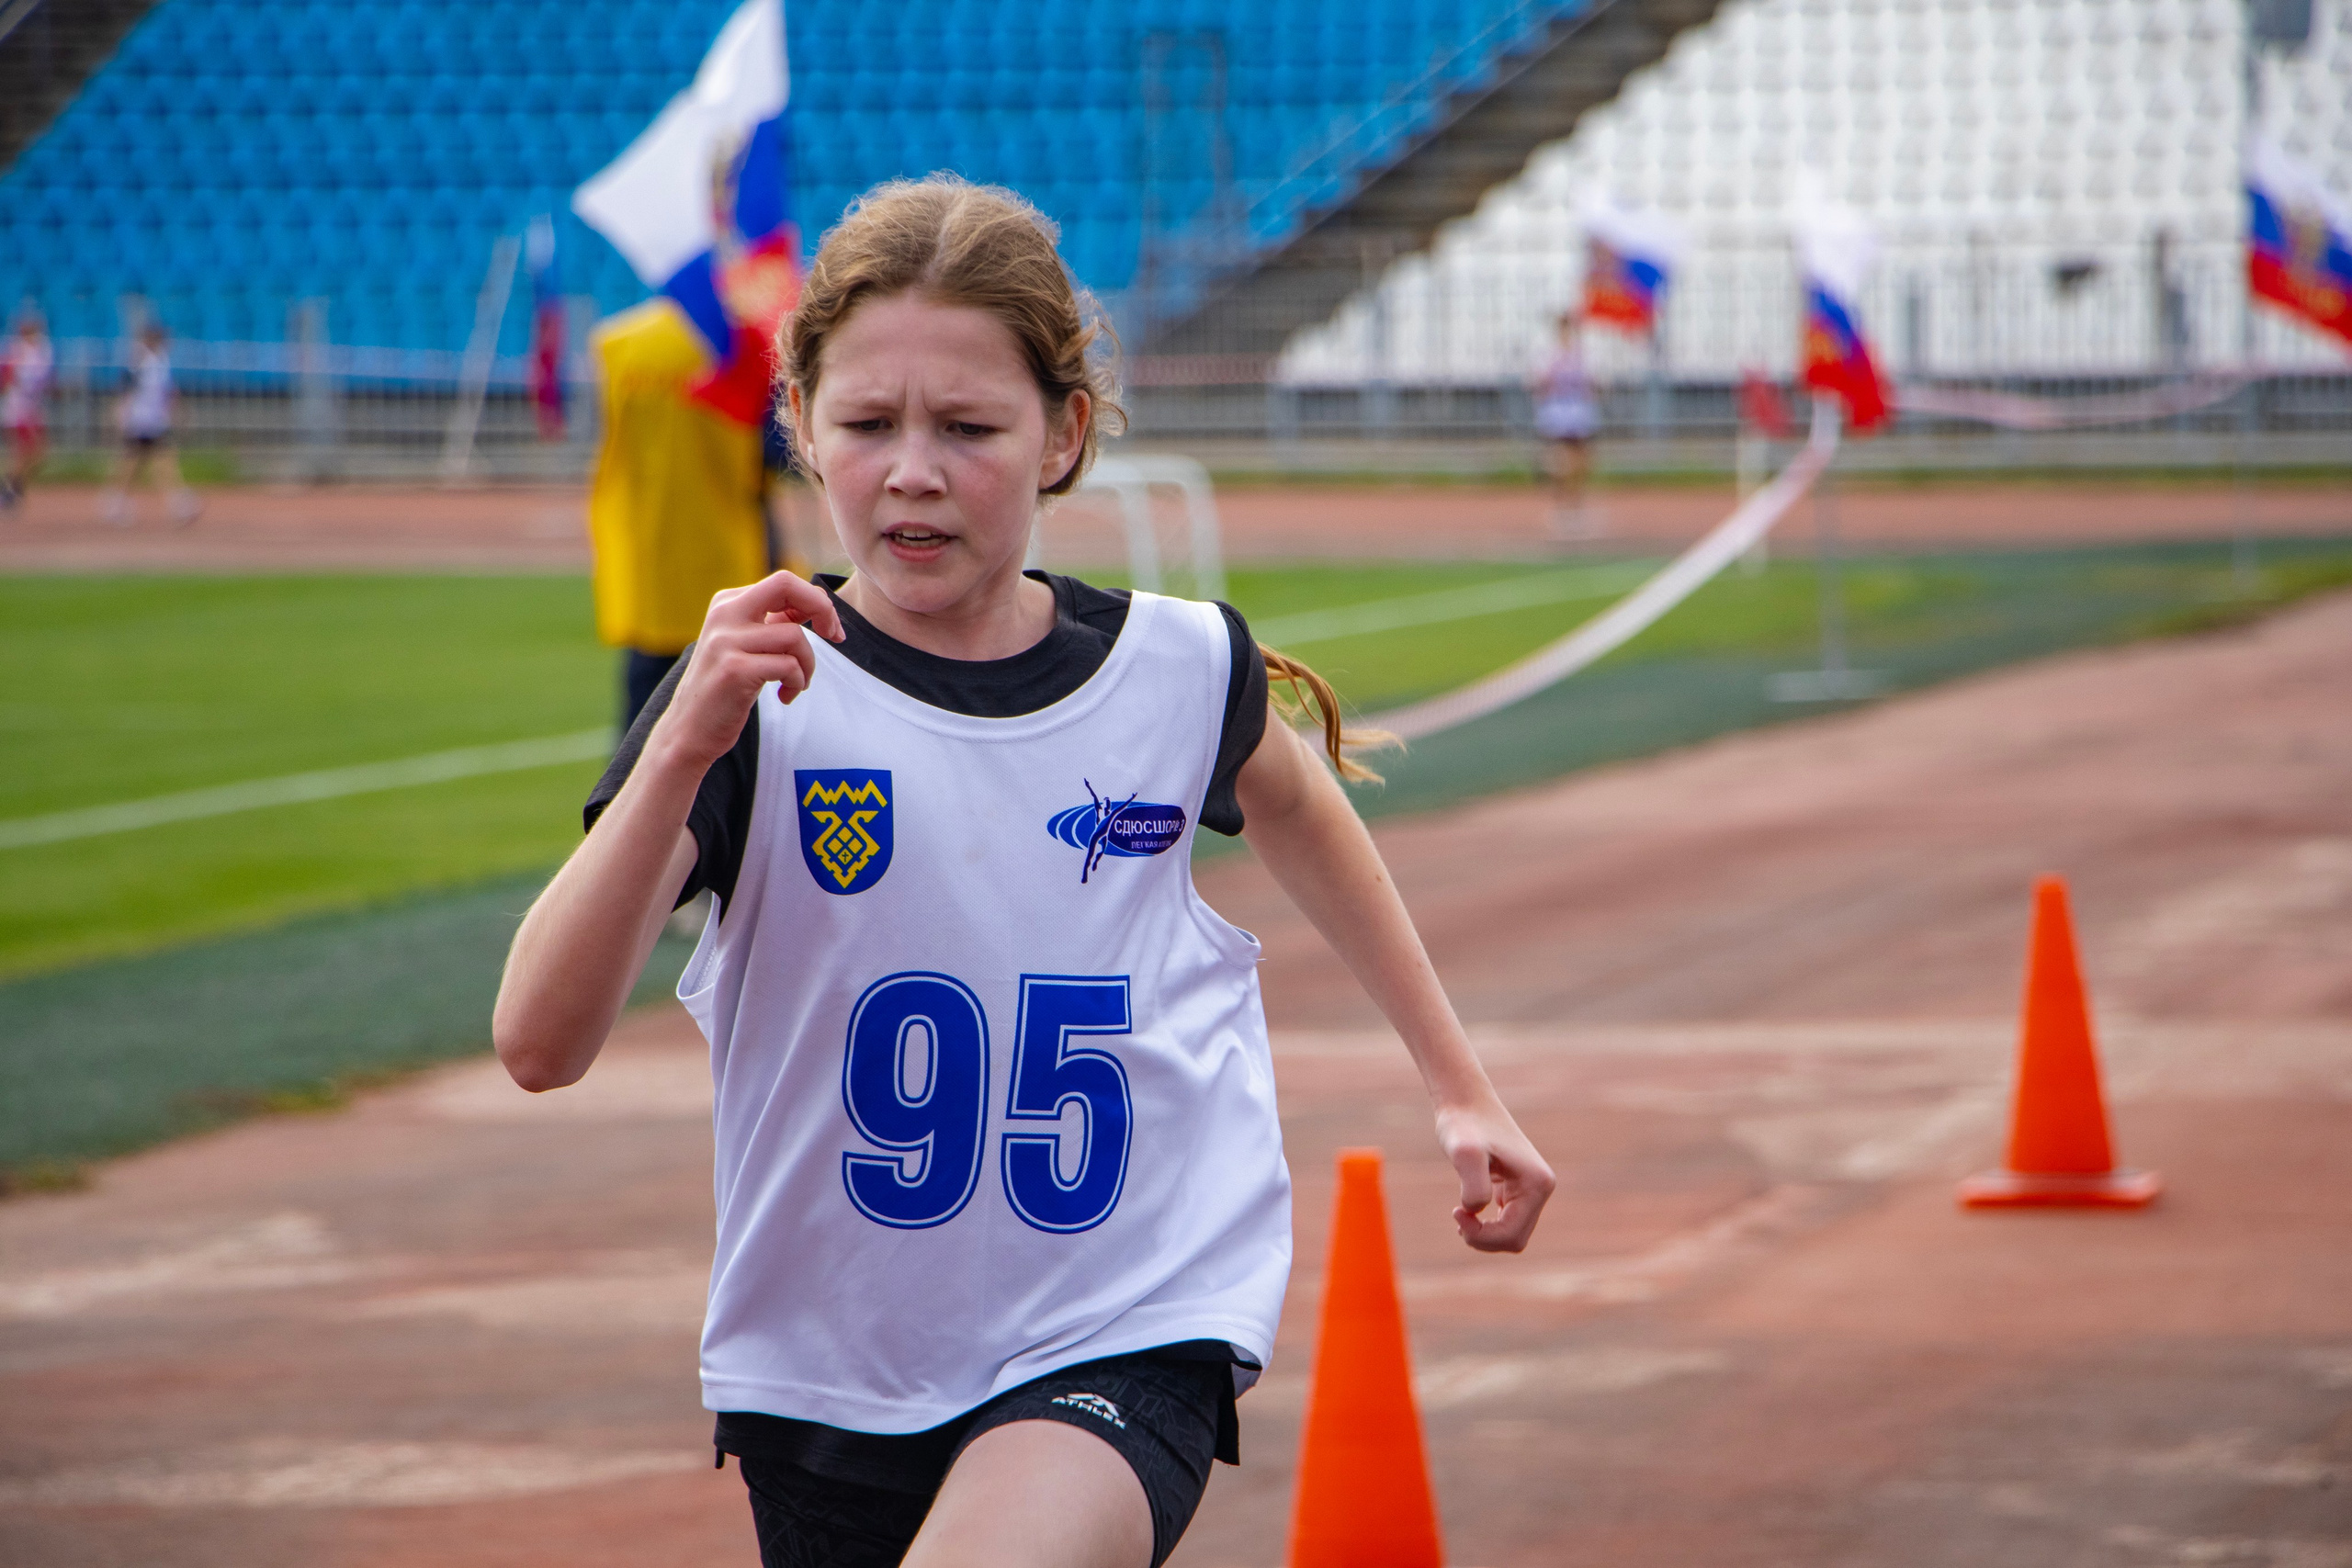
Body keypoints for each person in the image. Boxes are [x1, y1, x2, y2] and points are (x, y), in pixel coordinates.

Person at [492, 176, 1554, 1568]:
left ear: (1062, 433)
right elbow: (537, 1040)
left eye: (968, 427)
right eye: (867, 424)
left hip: (1123, 1320)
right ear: (801, 426)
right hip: (826, 1370)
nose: (913, 468)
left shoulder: (1177, 668)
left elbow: (1301, 810)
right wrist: (683, 744)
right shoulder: (757, 694)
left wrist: (1460, 1082)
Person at [585, 298, 772, 731]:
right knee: (742, 729)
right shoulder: (743, 341)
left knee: (640, 735)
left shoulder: (619, 342)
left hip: (650, 558)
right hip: (728, 557)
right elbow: (774, 451)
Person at [103, 321, 200, 527]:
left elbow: (167, 390)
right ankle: (118, 501)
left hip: (155, 420)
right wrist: (121, 415)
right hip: (139, 419)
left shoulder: (161, 360)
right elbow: (125, 388)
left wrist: (175, 409)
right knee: (136, 463)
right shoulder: (139, 359)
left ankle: (175, 502)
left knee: (155, 461)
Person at [1530, 309, 1600, 540]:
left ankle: (1575, 501)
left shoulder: (1582, 355)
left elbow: (1593, 382)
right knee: (1561, 459)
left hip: (1578, 409)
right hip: (1558, 409)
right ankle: (1562, 503)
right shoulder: (1549, 355)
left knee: (1581, 458)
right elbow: (1539, 382)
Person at [1, 308, 53, 516]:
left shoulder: (43, 352)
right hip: (17, 408)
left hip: (33, 409)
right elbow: (6, 380)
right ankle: (10, 491)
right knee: (27, 452)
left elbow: (46, 381)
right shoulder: (15, 352)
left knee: (38, 454)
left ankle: (11, 488)